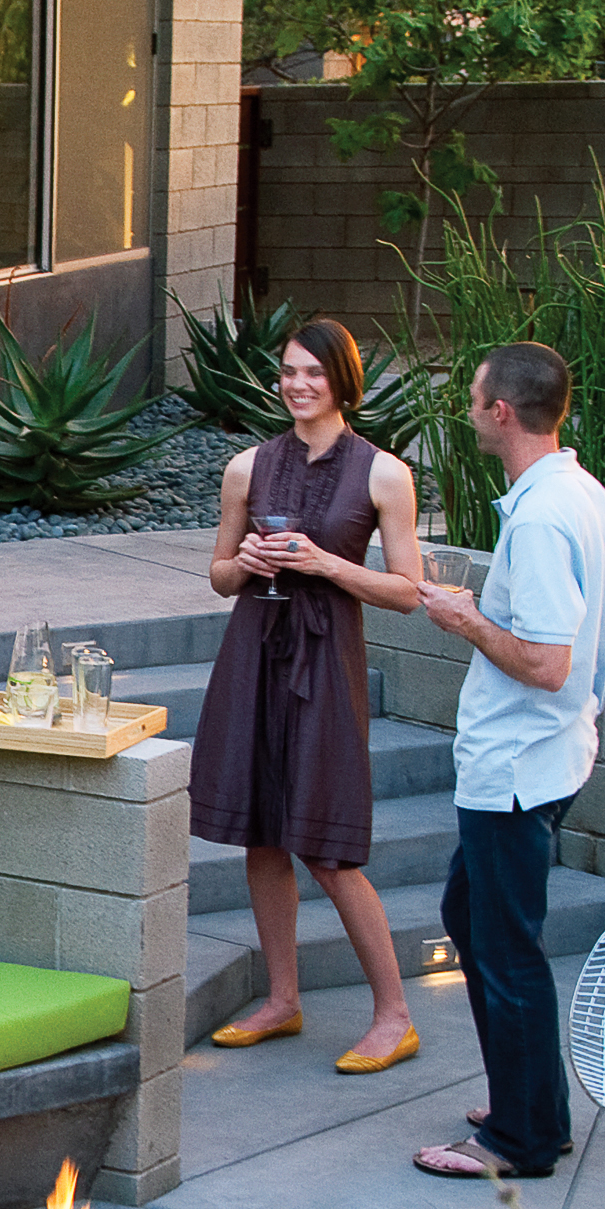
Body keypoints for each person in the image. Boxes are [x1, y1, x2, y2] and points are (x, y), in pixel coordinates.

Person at [411, 343, 605, 1183]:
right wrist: (575, 711)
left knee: (504, 950)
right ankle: (531, 1105)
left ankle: (519, 1142)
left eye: (474, 397)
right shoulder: (590, 499)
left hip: (514, 772)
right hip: (553, 758)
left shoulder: (542, 519)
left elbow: (545, 661)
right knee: (472, 918)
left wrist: (465, 618)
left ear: (501, 411)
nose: (470, 408)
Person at [188, 315, 426, 1073]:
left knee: (326, 848)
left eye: (312, 373)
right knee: (262, 832)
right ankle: (283, 999)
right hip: (254, 655)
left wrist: (326, 564)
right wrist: (250, 562)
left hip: (326, 666)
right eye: (288, 372)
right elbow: (219, 575)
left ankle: (394, 1015)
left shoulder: (383, 472)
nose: (297, 385)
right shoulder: (247, 467)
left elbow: (407, 591)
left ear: (342, 380)